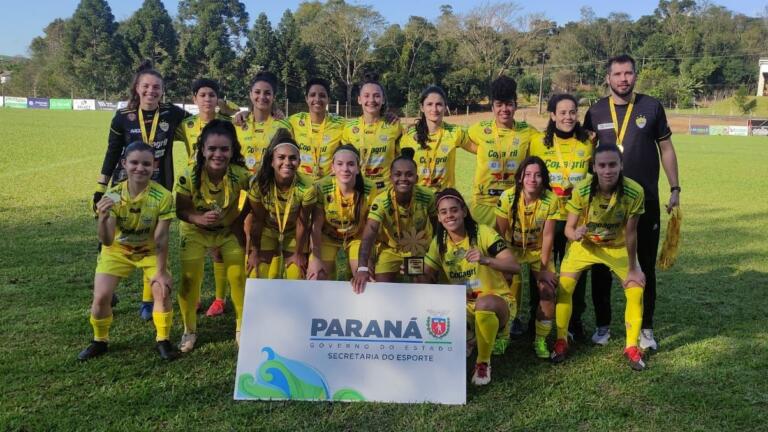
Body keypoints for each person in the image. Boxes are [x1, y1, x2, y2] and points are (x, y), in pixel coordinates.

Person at [583, 54, 680, 350]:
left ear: (635, 76)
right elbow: (585, 152)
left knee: (644, 265)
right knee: (600, 266)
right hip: (605, 204)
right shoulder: (596, 111)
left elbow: (666, 148)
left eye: (628, 73)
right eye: (617, 74)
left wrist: (675, 187)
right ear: (608, 78)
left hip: (644, 200)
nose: (623, 79)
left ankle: (646, 329)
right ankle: (602, 326)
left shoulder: (651, 107)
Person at [94, 60, 189, 320]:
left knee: (152, 239)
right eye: (146, 86)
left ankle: (149, 300)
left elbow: (201, 124)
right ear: (137, 88)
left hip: (160, 186)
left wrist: (233, 113)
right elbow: (112, 152)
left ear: (162, 90)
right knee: (112, 234)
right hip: (125, 185)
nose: (151, 91)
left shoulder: (173, 113)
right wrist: (101, 187)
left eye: (156, 87)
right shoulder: (122, 117)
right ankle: (107, 285)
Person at [78, 142, 178, 361]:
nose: (139, 168)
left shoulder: (163, 196)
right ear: (124, 164)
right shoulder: (113, 196)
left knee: (161, 290)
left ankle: (163, 340)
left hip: (149, 251)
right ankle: (99, 341)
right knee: (101, 296)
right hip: (117, 251)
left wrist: (161, 272)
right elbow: (105, 240)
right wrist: (103, 219)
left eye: (146, 163)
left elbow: (161, 238)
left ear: (155, 165)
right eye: (133, 162)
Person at [551, 144, 647, 371]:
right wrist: (575, 234)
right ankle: (562, 339)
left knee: (635, 290)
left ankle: (631, 346)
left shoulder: (635, 191)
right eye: (601, 165)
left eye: (612, 164)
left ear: (621, 165)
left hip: (617, 246)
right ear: (593, 167)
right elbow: (569, 229)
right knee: (564, 287)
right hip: (586, 246)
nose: (607, 170)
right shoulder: (583, 190)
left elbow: (632, 232)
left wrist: (633, 268)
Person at [465, 75, 538, 337]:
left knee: (511, 258)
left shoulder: (528, 133)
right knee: (481, 258)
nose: (504, 109)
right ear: (492, 106)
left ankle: (512, 315)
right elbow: (461, 140)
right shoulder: (479, 129)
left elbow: (549, 147)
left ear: (516, 105)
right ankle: (477, 309)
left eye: (509, 104)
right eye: (499, 104)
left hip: (514, 207)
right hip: (483, 205)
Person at [425, 188, 520, 385]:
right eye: (444, 212)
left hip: (496, 302)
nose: (449, 215)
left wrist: (485, 259)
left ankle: (483, 363)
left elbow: (513, 266)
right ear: (439, 218)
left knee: (484, 304)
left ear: (464, 212)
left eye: (454, 210)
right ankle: (470, 337)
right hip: (463, 306)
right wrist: (413, 271)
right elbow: (426, 274)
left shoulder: (483, 233)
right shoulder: (439, 243)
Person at [175, 120, 250, 352]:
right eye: (212, 149)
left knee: (238, 277)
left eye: (224, 149)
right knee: (190, 279)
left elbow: (251, 202)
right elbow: (181, 210)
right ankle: (189, 330)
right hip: (195, 231)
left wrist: (236, 222)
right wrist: (198, 218)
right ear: (203, 150)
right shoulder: (189, 175)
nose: (218, 154)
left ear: (233, 150)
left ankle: (242, 327)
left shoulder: (241, 175)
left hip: (227, 232)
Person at [529, 93, 598, 341]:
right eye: (563, 112)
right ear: (552, 115)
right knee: (541, 268)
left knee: (576, 272)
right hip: (547, 217)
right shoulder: (538, 142)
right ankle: (537, 316)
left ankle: (574, 319)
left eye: (572, 112)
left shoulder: (588, 142)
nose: (568, 117)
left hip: (576, 219)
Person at [175, 78, 233, 317]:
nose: (208, 99)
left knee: (218, 248)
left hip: (220, 188)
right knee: (192, 247)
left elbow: (246, 114)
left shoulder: (228, 123)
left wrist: (235, 111)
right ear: (194, 98)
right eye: (203, 95)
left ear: (218, 99)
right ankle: (195, 297)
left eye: (212, 95)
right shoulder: (185, 125)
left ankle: (220, 299)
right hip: (193, 189)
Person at [495, 157, 559, 359]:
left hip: (538, 250)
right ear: (521, 177)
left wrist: (543, 269)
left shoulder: (551, 199)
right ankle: (503, 336)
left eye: (538, 175)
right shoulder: (507, 197)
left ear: (544, 178)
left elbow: (548, 236)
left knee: (548, 289)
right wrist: (502, 264)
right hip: (511, 249)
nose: (533, 179)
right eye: (528, 174)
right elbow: (499, 234)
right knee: (506, 289)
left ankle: (540, 339)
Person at [351, 148, 436, 293]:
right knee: (380, 286)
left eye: (409, 175)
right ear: (390, 178)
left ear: (416, 178)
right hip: (390, 249)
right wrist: (363, 267)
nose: (403, 178)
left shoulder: (427, 196)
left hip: (417, 249)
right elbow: (369, 233)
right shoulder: (382, 200)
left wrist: (433, 259)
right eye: (398, 174)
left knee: (422, 281)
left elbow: (438, 228)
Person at [247, 129, 315, 280]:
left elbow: (302, 222)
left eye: (292, 158)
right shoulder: (259, 184)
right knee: (255, 274)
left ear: (299, 161)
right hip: (267, 230)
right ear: (272, 161)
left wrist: (298, 254)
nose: (287, 163)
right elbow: (257, 220)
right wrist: (255, 251)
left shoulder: (308, 186)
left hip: (292, 232)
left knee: (297, 275)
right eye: (281, 158)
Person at [305, 145, 377, 280]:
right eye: (340, 164)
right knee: (317, 276)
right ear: (332, 168)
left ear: (358, 168)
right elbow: (316, 227)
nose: (345, 169)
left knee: (364, 278)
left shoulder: (369, 188)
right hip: (327, 238)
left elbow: (370, 227)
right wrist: (316, 258)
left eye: (351, 164)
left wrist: (363, 266)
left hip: (356, 238)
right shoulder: (321, 186)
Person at [400, 85, 472, 192]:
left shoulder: (455, 132)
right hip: (418, 198)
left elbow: (480, 149)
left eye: (439, 104)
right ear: (422, 107)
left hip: (444, 200)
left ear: (445, 107)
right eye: (429, 104)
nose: (434, 109)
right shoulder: (409, 134)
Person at [342, 72, 403, 195]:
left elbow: (401, 159)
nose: (371, 100)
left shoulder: (394, 125)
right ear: (359, 99)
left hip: (385, 192)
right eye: (366, 96)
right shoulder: (349, 128)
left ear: (383, 99)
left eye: (376, 96)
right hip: (357, 190)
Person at [236, 71, 292, 176]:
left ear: (274, 96)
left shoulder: (284, 126)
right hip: (242, 188)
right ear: (250, 94)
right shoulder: (239, 123)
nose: (262, 97)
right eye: (257, 92)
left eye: (267, 93)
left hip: (270, 186)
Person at [288, 78, 345, 179]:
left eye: (322, 96)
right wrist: (274, 111)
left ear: (328, 99)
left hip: (328, 185)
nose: (317, 99)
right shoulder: (294, 120)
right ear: (306, 98)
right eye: (312, 95)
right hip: (300, 185)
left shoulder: (341, 124)